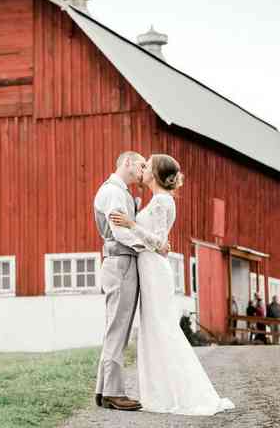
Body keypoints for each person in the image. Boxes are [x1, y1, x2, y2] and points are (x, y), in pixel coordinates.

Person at [110, 154, 234, 415]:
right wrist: (154, 240)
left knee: (162, 329)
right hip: (151, 266)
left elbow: (156, 240)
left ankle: (178, 394)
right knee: (154, 329)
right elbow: (159, 241)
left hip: (154, 271)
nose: (142, 169)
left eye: (147, 166)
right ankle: (161, 393)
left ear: (154, 174)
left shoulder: (162, 201)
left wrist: (132, 223)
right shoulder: (158, 200)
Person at [92, 151, 163, 411]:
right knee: (118, 328)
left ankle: (103, 389)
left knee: (116, 326)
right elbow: (120, 232)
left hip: (120, 262)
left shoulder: (117, 191)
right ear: (128, 163)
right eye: (141, 164)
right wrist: (150, 246)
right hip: (121, 261)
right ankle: (113, 392)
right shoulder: (113, 192)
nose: (144, 170)